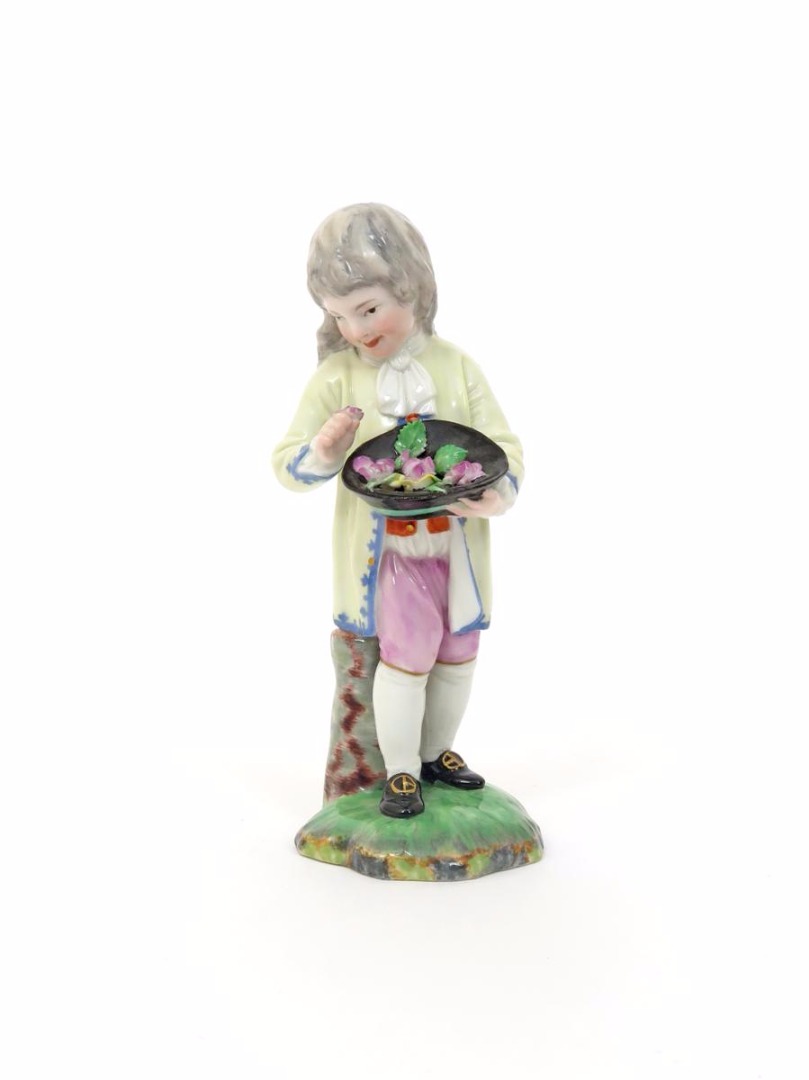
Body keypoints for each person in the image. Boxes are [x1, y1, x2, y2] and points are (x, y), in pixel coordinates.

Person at [272, 204, 523, 818]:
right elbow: (287, 465)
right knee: (406, 657)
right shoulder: (337, 377)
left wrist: (497, 493)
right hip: (389, 555)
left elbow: (503, 445)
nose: (356, 329)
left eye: (368, 309)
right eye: (338, 315)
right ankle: (402, 770)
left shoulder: (456, 366)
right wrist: (322, 451)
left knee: (459, 650)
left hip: (456, 546)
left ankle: (437, 753)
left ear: (411, 288)